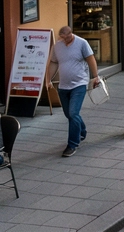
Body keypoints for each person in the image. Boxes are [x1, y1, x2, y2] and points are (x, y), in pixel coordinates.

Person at [45, 25, 101, 157]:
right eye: (64, 38)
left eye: (68, 37)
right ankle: (81, 130)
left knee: (73, 112)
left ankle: (72, 144)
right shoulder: (57, 46)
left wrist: (95, 76)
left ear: (71, 34)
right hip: (63, 86)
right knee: (69, 114)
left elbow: (90, 59)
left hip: (79, 84)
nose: (66, 40)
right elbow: (53, 62)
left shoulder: (82, 43)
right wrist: (48, 80)